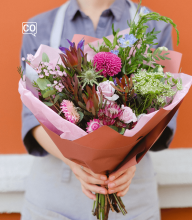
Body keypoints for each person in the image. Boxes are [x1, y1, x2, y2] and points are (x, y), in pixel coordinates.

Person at [20, 0, 177, 219]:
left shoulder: (155, 25)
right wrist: (75, 162)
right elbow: (32, 116)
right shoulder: (35, 26)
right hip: (56, 196)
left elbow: (163, 112)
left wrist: (129, 163)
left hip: (130, 190)